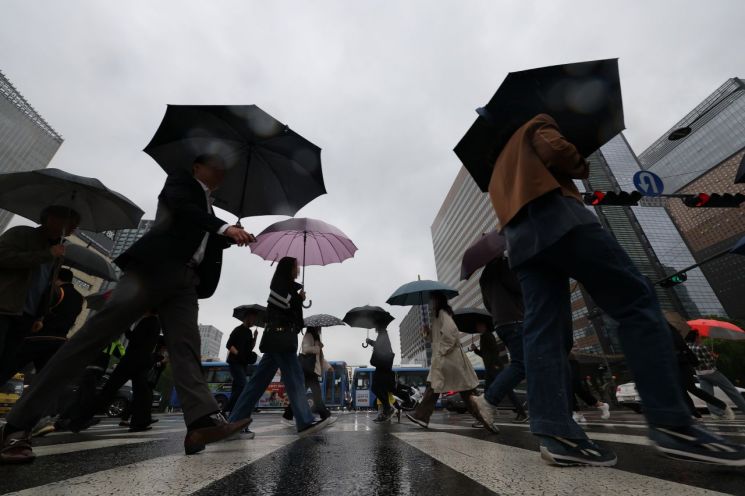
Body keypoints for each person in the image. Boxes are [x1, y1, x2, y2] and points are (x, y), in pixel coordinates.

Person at [485, 112, 745, 466]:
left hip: (522, 243)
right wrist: (578, 161)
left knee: (544, 331)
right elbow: (558, 154)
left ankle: (557, 432)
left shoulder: (498, 163)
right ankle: (672, 422)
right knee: (636, 301)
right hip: (560, 218)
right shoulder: (536, 122)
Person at [0, 154, 256, 463]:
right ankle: (18, 425)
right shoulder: (181, 182)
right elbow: (182, 212)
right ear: (196, 165)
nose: (222, 171)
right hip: (153, 272)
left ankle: (201, 422)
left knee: (187, 348)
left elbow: (196, 238)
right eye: (216, 164)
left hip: (186, 281)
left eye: (224, 167)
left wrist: (226, 237)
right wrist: (224, 228)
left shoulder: (209, 207)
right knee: (89, 340)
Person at [228, 257, 331, 437]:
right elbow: (282, 305)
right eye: (295, 266)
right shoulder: (278, 285)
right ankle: (305, 421)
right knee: (296, 378)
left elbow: (293, 314)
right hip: (280, 339)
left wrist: (299, 300)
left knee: (256, 383)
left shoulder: (288, 287)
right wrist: (298, 299)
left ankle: (234, 423)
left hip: (279, 340)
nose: (298, 269)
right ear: (288, 268)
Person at [0, 206, 79, 382]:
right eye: (71, 222)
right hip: (4, 307)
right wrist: (46, 254)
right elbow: (3, 257)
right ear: (51, 219)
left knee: (6, 366)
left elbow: (47, 284)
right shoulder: (21, 234)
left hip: (27, 316)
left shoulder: (58, 251)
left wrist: (40, 315)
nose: (74, 228)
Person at [405, 291, 497, 433]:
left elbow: (451, 333)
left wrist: (441, 352)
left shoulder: (443, 313)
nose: (430, 304)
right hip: (448, 361)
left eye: (432, 300)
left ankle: (422, 416)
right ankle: (485, 419)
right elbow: (434, 339)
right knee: (463, 392)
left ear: (438, 301)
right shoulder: (437, 317)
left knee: (437, 386)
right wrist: (427, 332)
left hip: (449, 360)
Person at [0, 268, 83, 387]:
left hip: (39, 337)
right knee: (44, 380)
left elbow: (40, 308)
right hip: (59, 341)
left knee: (8, 367)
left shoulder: (57, 291)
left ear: (57, 278)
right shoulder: (80, 298)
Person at [478, 256, 530, 424]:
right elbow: (518, 286)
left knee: (523, 364)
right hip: (515, 318)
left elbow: (488, 304)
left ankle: (489, 402)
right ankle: (489, 400)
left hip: (500, 322)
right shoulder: (503, 264)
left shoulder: (483, 277)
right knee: (522, 364)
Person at [668, 326, 732, 421]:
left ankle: (722, 406)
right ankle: (694, 414)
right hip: (673, 365)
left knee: (692, 389)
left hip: (683, 364)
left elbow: (681, 346)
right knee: (680, 390)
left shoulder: (670, 332)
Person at [471, 322, 527, 423]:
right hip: (490, 368)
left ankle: (521, 413)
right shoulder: (483, 337)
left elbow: (495, 351)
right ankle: (485, 415)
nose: (477, 327)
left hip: (494, 367)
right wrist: (476, 350)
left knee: (507, 389)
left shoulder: (488, 335)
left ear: (484, 325)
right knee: (488, 392)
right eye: (477, 326)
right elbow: (485, 354)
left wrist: (493, 364)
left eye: (479, 325)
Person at [687, 330, 745, 419]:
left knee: (708, 394)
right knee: (731, 391)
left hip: (700, 374)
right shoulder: (701, 347)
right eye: (699, 336)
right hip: (711, 372)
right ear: (696, 337)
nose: (701, 338)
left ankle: (715, 413)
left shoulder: (688, 347)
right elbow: (710, 361)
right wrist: (714, 356)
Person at [283, 326, 332, 422]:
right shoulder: (308, 336)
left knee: (301, 393)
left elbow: (319, 358)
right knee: (316, 394)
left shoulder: (315, 338)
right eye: (318, 327)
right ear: (314, 327)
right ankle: (324, 414)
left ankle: (288, 414)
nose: (319, 329)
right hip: (308, 370)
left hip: (311, 371)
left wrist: (328, 367)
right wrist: (317, 347)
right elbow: (305, 349)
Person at [225, 311, 258, 415]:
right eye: (253, 318)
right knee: (243, 386)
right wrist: (238, 354)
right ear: (247, 317)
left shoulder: (249, 332)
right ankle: (224, 410)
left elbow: (250, 347)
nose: (254, 321)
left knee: (237, 389)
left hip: (243, 364)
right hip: (235, 363)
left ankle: (232, 414)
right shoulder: (238, 330)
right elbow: (229, 345)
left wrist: (255, 337)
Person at [569, 354, 610, 423]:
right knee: (568, 389)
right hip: (561, 363)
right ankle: (577, 412)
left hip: (569, 361)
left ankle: (600, 405)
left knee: (576, 387)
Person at [367, 324, 395, 422]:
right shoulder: (382, 334)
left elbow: (379, 346)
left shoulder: (383, 334)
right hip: (382, 366)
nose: (375, 327)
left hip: (382, 366)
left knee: (375, 387)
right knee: (379, 388)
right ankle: (386, 409)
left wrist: (370, 342)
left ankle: (388, 408)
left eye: (376, 325)